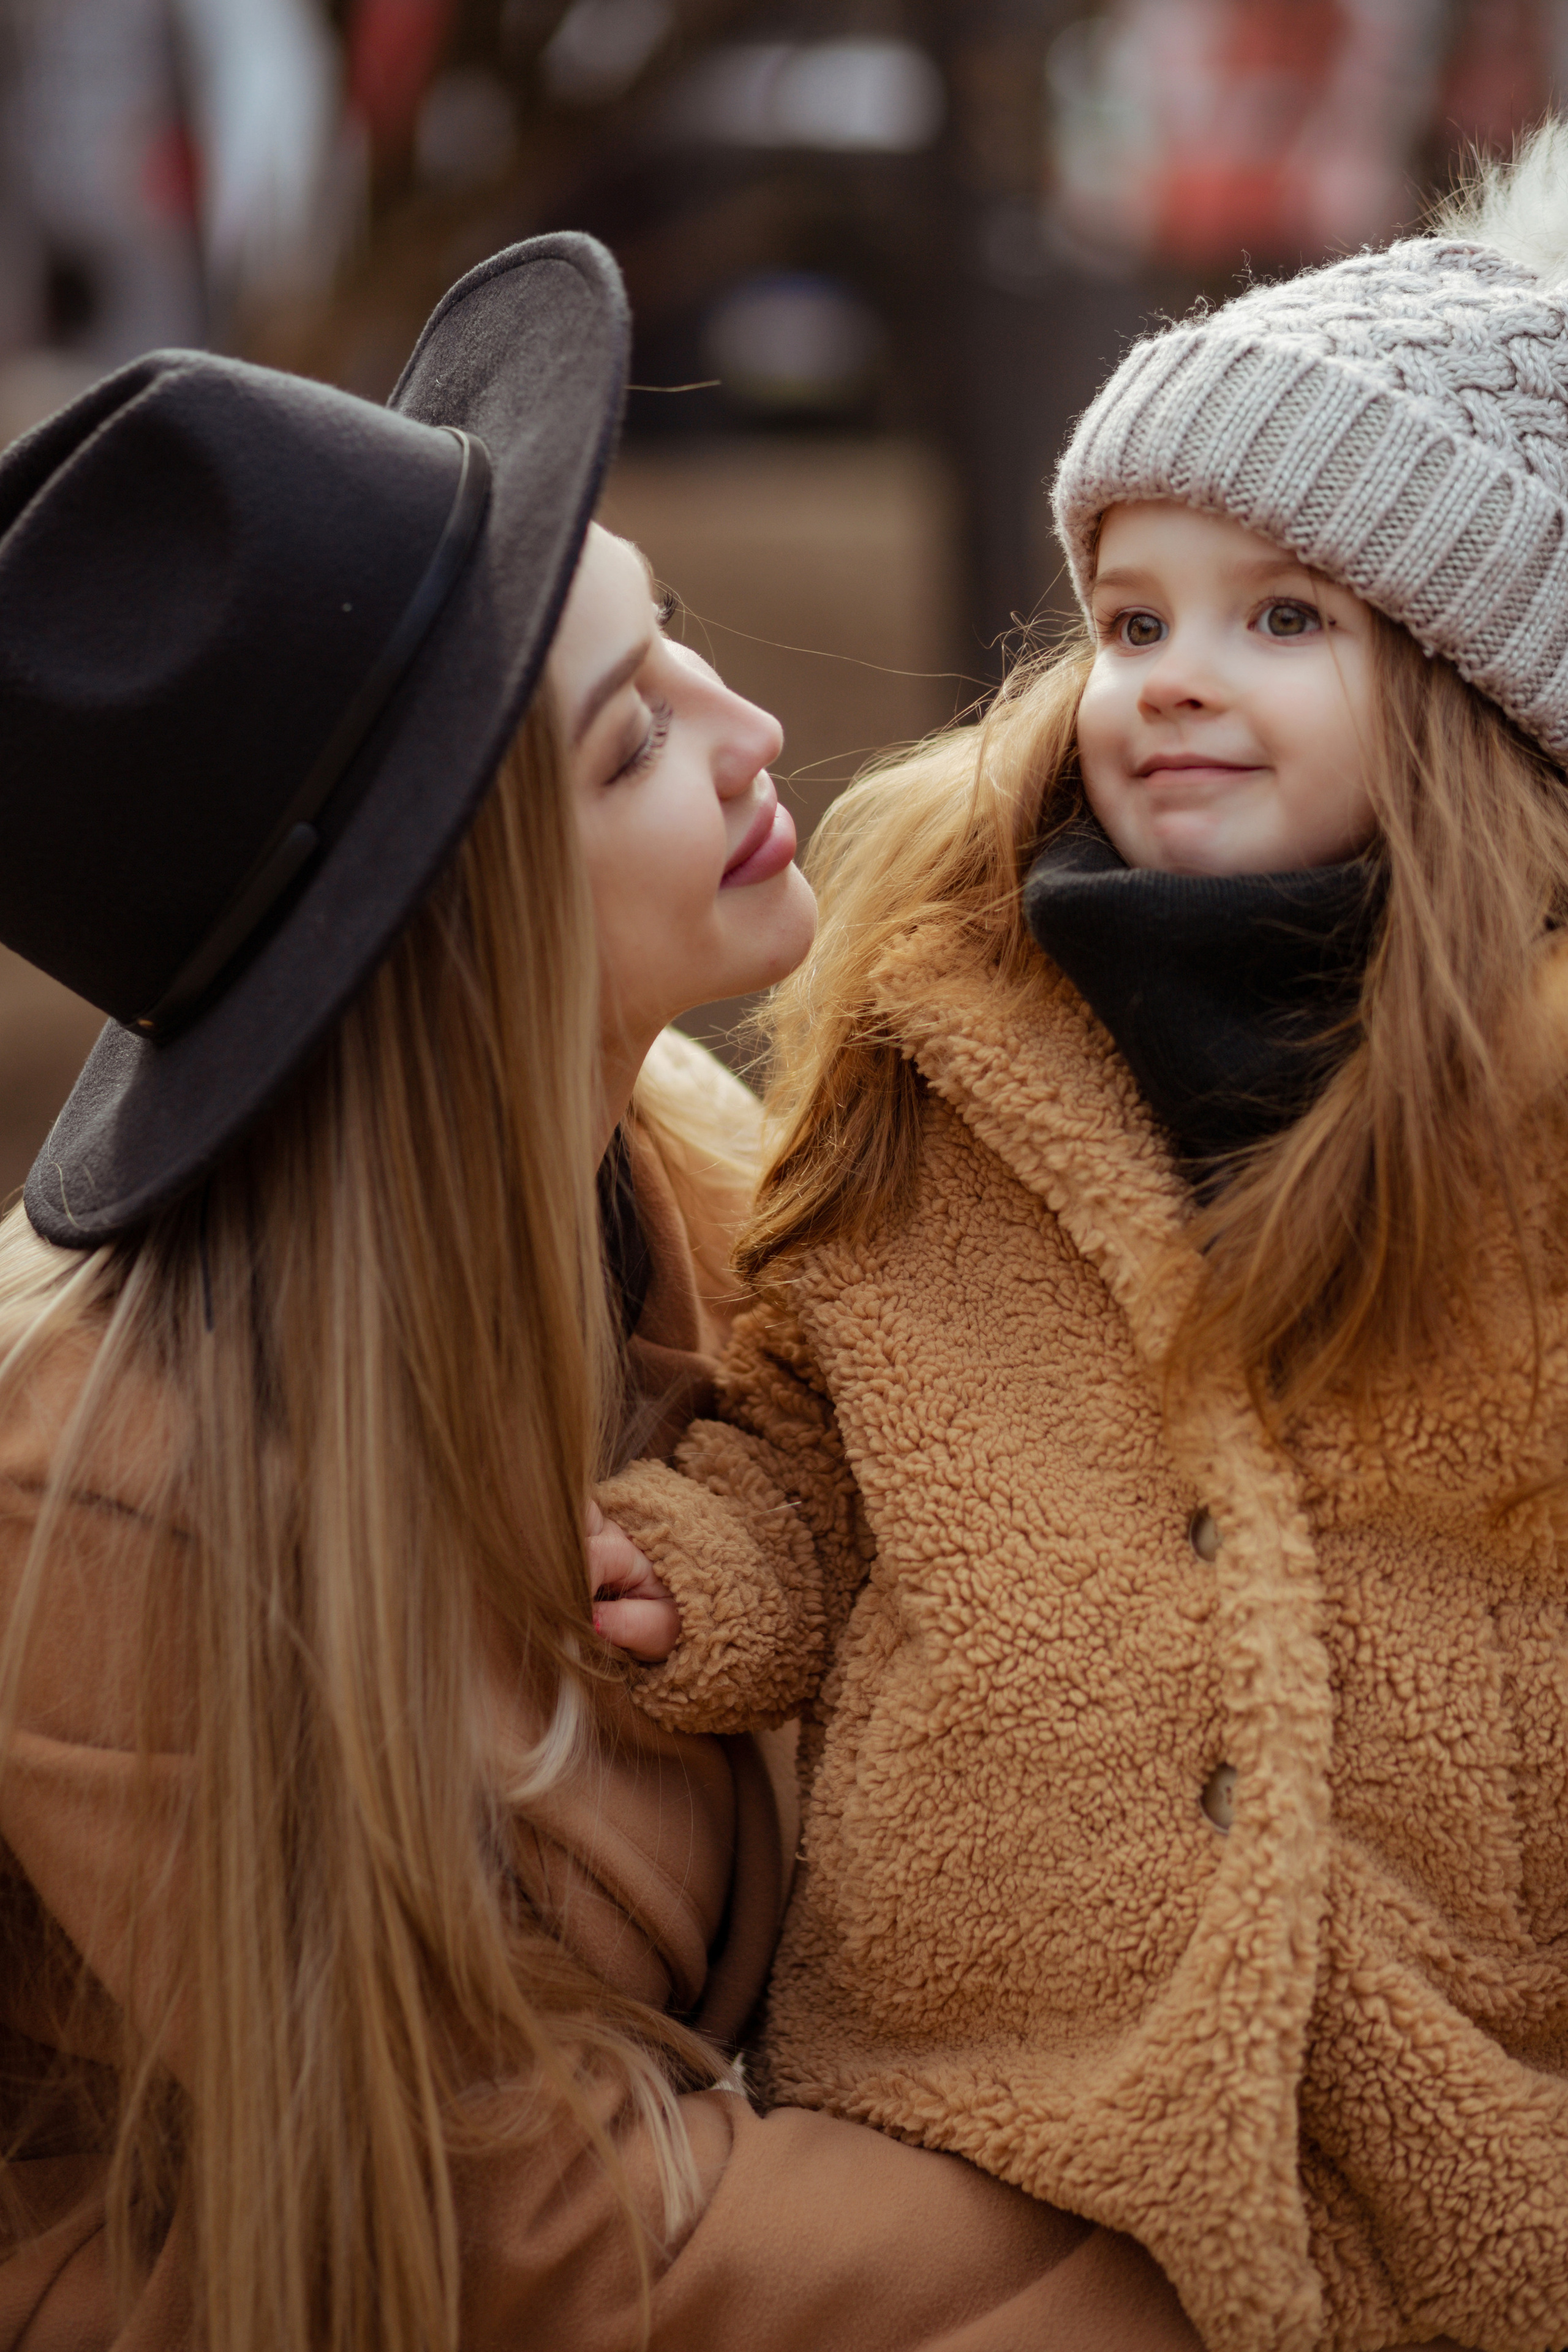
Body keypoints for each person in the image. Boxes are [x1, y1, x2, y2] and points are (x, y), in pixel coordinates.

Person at [0, 233, 1204, 2352]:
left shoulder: (735, 1198)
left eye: (682, 652)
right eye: (628, 745)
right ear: (444, 939)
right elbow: (512, 2227)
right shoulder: (108, 1503)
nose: (754, 732)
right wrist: (1200, 2264)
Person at [595, 133, 1568, 2352]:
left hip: (1461, 2135)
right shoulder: (958, 1046)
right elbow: (822, 1430)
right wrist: (718, 1568)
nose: (1168, 680)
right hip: (988, 2098)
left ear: (1485, 692)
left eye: (1283, 618)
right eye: (1133, 619)